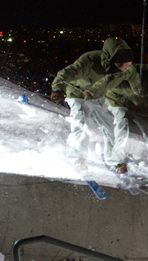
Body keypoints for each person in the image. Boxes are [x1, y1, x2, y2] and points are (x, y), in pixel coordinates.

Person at [50, 37, 140, 174]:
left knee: (110, 126)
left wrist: (138, 93)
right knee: (82, 123)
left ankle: (116, 161)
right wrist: (58, 89)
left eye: (129, 65)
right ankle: (77, 159)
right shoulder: (90, 61)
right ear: (116, 62)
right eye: (125, 65)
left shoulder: (123, 70)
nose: (127, 68)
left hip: (96, 95)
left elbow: (132, 80)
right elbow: (67, 73)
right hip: (77, 93)